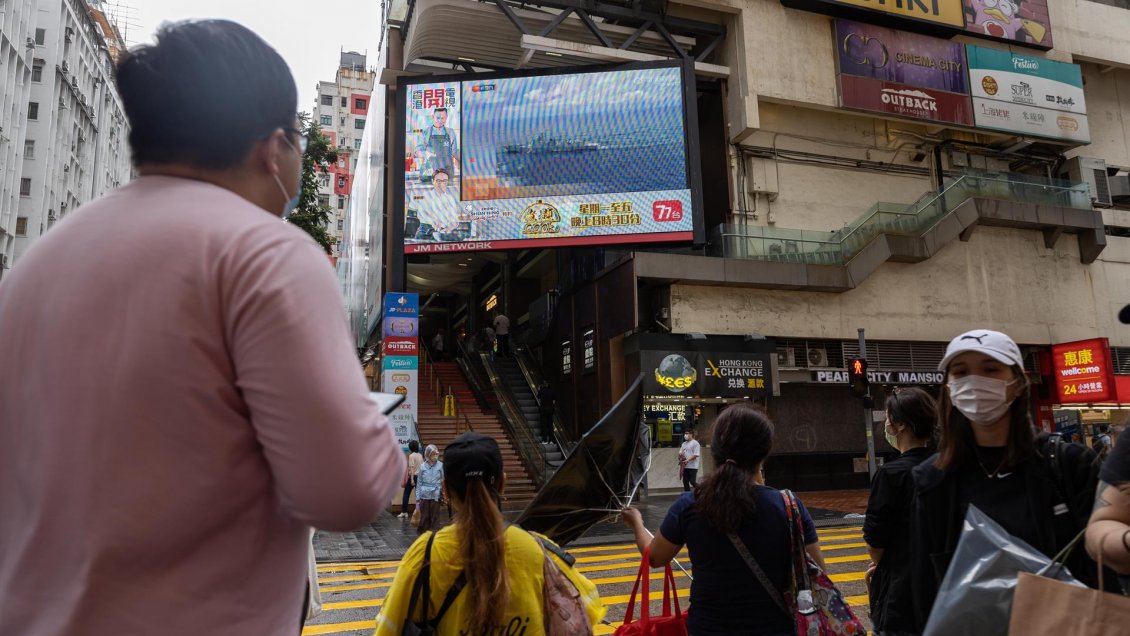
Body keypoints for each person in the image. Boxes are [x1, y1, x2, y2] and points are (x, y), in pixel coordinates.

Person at [0, 20, 404, 635]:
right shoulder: (266, 254)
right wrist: (376, 433)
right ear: (273, 149)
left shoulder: (36, 267)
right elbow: (344, 492)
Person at [911, 329, 1109, 629]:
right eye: (961, 372)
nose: (974, 381)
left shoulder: (1069, 463)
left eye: (990, 369)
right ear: (949, 388)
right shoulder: (933, 479)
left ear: (1017, 383)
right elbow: (923, 582)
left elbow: (1102, 564)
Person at [623, 404, 827, 636]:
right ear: (764, 451)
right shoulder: (789, 506)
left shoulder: (689, 505)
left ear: (717, 450)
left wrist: (636, 523)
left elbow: (655, 556)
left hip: (707, 628)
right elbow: (817, 572)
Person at [375, 432, 605, 635]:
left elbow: (389, 628)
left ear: (445, 490)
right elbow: (587, 611)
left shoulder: (425, 554)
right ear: (503, 484)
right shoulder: (539, 551)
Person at [864, 387, 935, 636]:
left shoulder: (890, 475)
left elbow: (875, 541)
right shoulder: (947, 467)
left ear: (900, 425)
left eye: (888, 417)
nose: (886, 423)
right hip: (943, 588)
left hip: (902, 594)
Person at [415, 106, 459, 179]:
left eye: (442, 118)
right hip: (429, 171)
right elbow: (417, 151)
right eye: (437, 118)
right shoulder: (425, 132)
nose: (439, 121)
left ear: (446, 117)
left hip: (446, 172)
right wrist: (426, 154)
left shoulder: (450, 132)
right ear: (433, 116)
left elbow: (454, 151)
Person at [416, 444, 445, 535]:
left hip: (436, 494)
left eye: (436, 454)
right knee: (424, 516)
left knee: (435, 516)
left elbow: (443, 480)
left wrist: (444, 493)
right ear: (428, 455)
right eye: (433, 454)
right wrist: (417, 498)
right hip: (424, 495)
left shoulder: (441, 465)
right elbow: (419, 483)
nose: (435, 456)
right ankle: (424, 535)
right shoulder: (422, 466)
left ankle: (434, 535)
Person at [400, 441, 425, 519]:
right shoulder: (420, 455)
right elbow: (422, 467)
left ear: (411, 447)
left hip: (413, 477)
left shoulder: (411, 456)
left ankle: (404, 512)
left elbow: (411, 468)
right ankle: (418, 511)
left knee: (406, 494)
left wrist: (411, 480)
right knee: (418, 496)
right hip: (420, 477)